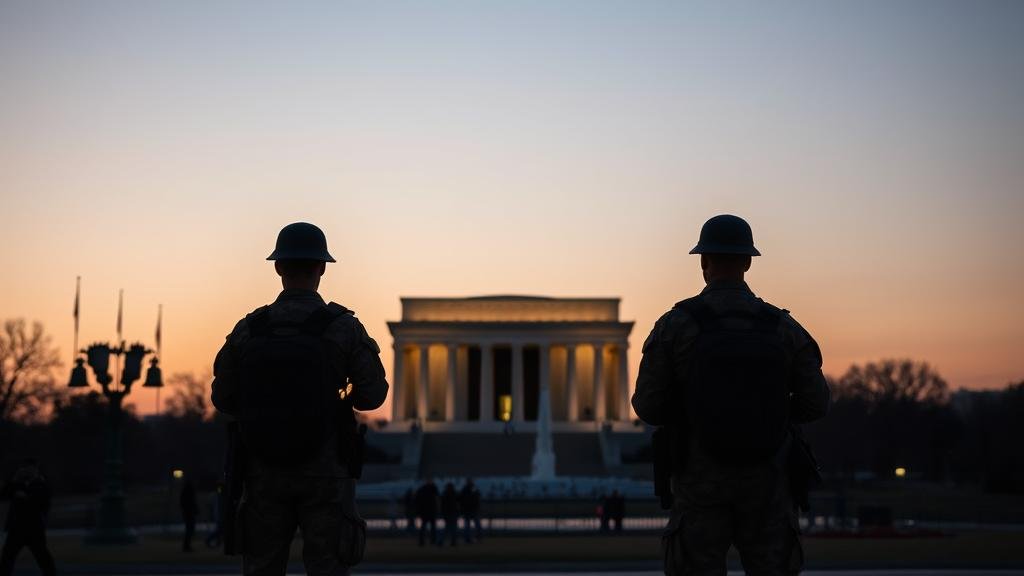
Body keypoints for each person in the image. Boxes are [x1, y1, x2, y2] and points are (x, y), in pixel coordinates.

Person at [632, 214, 830, 576]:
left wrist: (695, 412)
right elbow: (816, 403)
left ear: (703, 263)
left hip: (699, 479)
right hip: (769, 479)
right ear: (748, 262)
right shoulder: (782, 327)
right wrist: (767, 416)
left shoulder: (675, 326)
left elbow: (648, 406)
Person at [212, 222, 389, 576]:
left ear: (278, 267)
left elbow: (224, 399)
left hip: (263, 471)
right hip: (325, 472)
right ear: (322, 267)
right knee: (327, 568)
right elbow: (372, 396)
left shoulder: (250, 328)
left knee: (261, 568)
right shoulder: (343, 327)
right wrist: (338, 396)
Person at [0, 459, 56, 576]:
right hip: (16, 528)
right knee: (7, 557)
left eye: (30, 468)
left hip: (34, 528)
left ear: (36, 469)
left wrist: (25, 498)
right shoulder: (18, 484)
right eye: (25, 468)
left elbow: (42, 503)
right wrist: (14, 479)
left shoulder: (42, 484)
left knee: (43, 557)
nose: (27, 471)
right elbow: (4, 495)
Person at [414, 479, 439, 547]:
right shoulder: (433, 489)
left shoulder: (421, 489)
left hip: (424, 511)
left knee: (423, 527)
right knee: (433, 527)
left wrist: (418, 511)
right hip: (432, 510)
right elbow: (437, 499)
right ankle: (433, 540)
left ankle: (422, 541)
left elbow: (417, 500)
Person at [458, 478, 482, 543]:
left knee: (467, 526)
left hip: (466, 510)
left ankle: (467, 538)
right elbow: (478, 497)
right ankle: (478, 538)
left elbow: (460, 499)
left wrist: (461, 509)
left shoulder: (464, 489)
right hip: (474, 509)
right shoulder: (474, 489)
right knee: (477, 525)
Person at [180, 478, 199, 552]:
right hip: (189, 513)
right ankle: (186, 546)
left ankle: (187, 545)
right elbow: (191, 502)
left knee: (189, 529)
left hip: (187, 513)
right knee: (190, 529)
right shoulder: (189, 492)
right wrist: (195, 509)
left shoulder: (186, 492)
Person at [439, 482, 459, 547]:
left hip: (447, 513)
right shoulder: (455, 493)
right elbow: (457, 503)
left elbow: (442, 504)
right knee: (454, 528)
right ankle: (453, 542)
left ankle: (441, 541)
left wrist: (442, 513)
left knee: (447, 528)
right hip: (453, 512)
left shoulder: (444, 494)